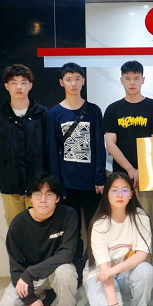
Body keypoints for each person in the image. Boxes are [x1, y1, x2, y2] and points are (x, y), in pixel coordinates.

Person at [104, 60, 153, 286]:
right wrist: (130, 169)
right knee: (123, 223)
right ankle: (124, 270)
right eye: (127, 78)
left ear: (143, 80)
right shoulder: (113, 109)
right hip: (121, 179)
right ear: (121, 80)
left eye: (136, 78)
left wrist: (143, 170)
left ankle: (151, 268)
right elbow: (110, 143)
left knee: (149, 222)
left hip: (148, 177)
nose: (132, 82)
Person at [0, 172, 79, 306]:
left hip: (54, 273)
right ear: (31, 198)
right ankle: (41, 301)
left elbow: (67, 253)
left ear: (57, 198)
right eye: (37, 194)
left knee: (66, 272)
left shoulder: (68, 215)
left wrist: (30, 273)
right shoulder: (18, 224)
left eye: (49, 194)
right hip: (34, 279)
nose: (43, 200)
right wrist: (30, 299)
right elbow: (16, 266)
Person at [83, 172, 153, 306]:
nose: (120, 195)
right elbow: (104, 270)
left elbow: (142, 254)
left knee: (146, 270)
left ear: (131, 194)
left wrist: (114, 270)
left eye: (125, 190)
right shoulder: (99, 224)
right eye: (114, 190)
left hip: (123, 272)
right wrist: (113, 305)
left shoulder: (140, 216)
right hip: (100, 274)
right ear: (106, 194)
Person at [46, 62, 106, 232]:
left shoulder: (94, 111)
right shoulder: (53, 114)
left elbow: (99, 147)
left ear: (83, 81)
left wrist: (100, 178)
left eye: (77, 79)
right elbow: (52, 151)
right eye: (69, 79)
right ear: (61, 82)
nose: (73, 83)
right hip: (67, 184)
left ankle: (93, 253)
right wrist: (57, 185)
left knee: (95, 228)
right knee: (70, 230)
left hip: (91, 183)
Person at [0, 64, 47, 226]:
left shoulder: (42, 114)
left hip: (38, 186)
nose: (19, 87)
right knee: (15, 230)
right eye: (14, 83)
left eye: (23, 82)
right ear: (6, 86)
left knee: (40, 231)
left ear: (30, 86)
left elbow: (48, 149)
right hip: (10, 185)